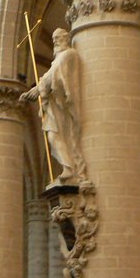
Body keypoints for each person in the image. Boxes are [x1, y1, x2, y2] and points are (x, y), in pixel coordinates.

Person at [20, 29, 87, 184]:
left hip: (64, 105)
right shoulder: (58, 59)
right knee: (53, 136)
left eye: (58, 37)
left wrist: (37, 90)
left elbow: (53, 77)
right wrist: (34, 90)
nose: (55, 40)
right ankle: (68, 168)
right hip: (56, 105)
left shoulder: (68, 55)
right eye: (53, 38)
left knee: (58, 136)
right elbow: (49, 77)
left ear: (66, 38)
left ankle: (70, 168)